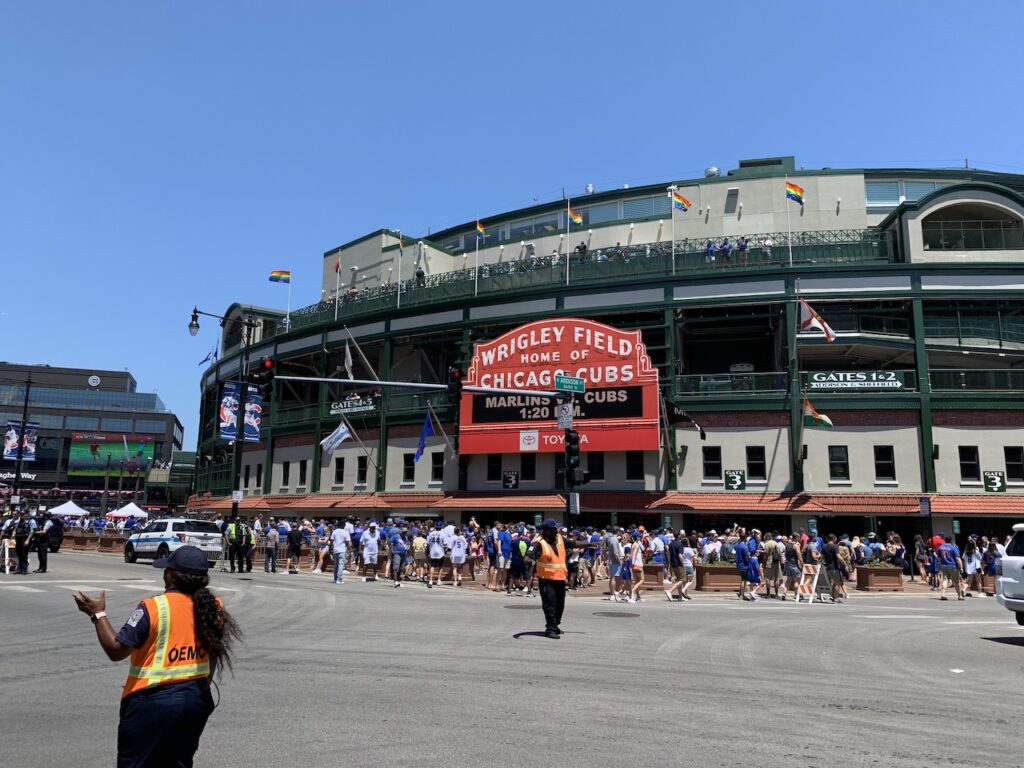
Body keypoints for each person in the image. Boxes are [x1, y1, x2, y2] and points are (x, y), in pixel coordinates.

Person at [72, 546, 240, 768]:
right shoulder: (213, 607)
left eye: (166, 570)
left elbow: (116, 650)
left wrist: (97, 614)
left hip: (152, 704)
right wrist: (201, 688)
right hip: (195, 699)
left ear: (171, 575)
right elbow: (213, 654)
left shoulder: (154, 607)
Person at [524, 519, 567, 638]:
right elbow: (528, 556)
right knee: (550, 605)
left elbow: (572, 543)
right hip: (546, 580)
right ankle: (550, 629)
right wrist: (528, 561)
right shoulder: (538, 543)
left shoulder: (559, 538)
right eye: (554, 528)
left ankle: (555, 624)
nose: (557, 530)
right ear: (547, 531)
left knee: (560, 605)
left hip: (559, 578)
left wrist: (588, 544)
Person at [937, 535, 964, 601]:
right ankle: (959, 595)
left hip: (944, 566)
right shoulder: (953, 548)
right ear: (951, 540)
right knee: (956, 582)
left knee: (945, 580)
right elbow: (957, 558)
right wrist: (961, 567)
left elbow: (939, 557)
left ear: (945, 540)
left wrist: (940, 565)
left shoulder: (941, 547)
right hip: (953, 566)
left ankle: (943, 594)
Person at [426, 521, 446, 588]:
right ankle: (439, 580)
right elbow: (445, 544)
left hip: (432, 552)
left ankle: (431, 580)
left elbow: (428, 543)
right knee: (440, 566)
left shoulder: (431, 533)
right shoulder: (443, 534)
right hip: (440, 552)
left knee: (432, 566)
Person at [13, 510, 33, 575]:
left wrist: (28, 540)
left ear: (27, 514)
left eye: (24, 514)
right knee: (19, 554)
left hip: (25, 539)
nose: (23, 515)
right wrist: (14, 533)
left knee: (24, 555)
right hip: (18, 539)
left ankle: (24, 569)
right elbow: (15, 529)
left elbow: (32, 531)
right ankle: (19, 569)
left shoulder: (31, 521)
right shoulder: (20, 521)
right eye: (22, 514)